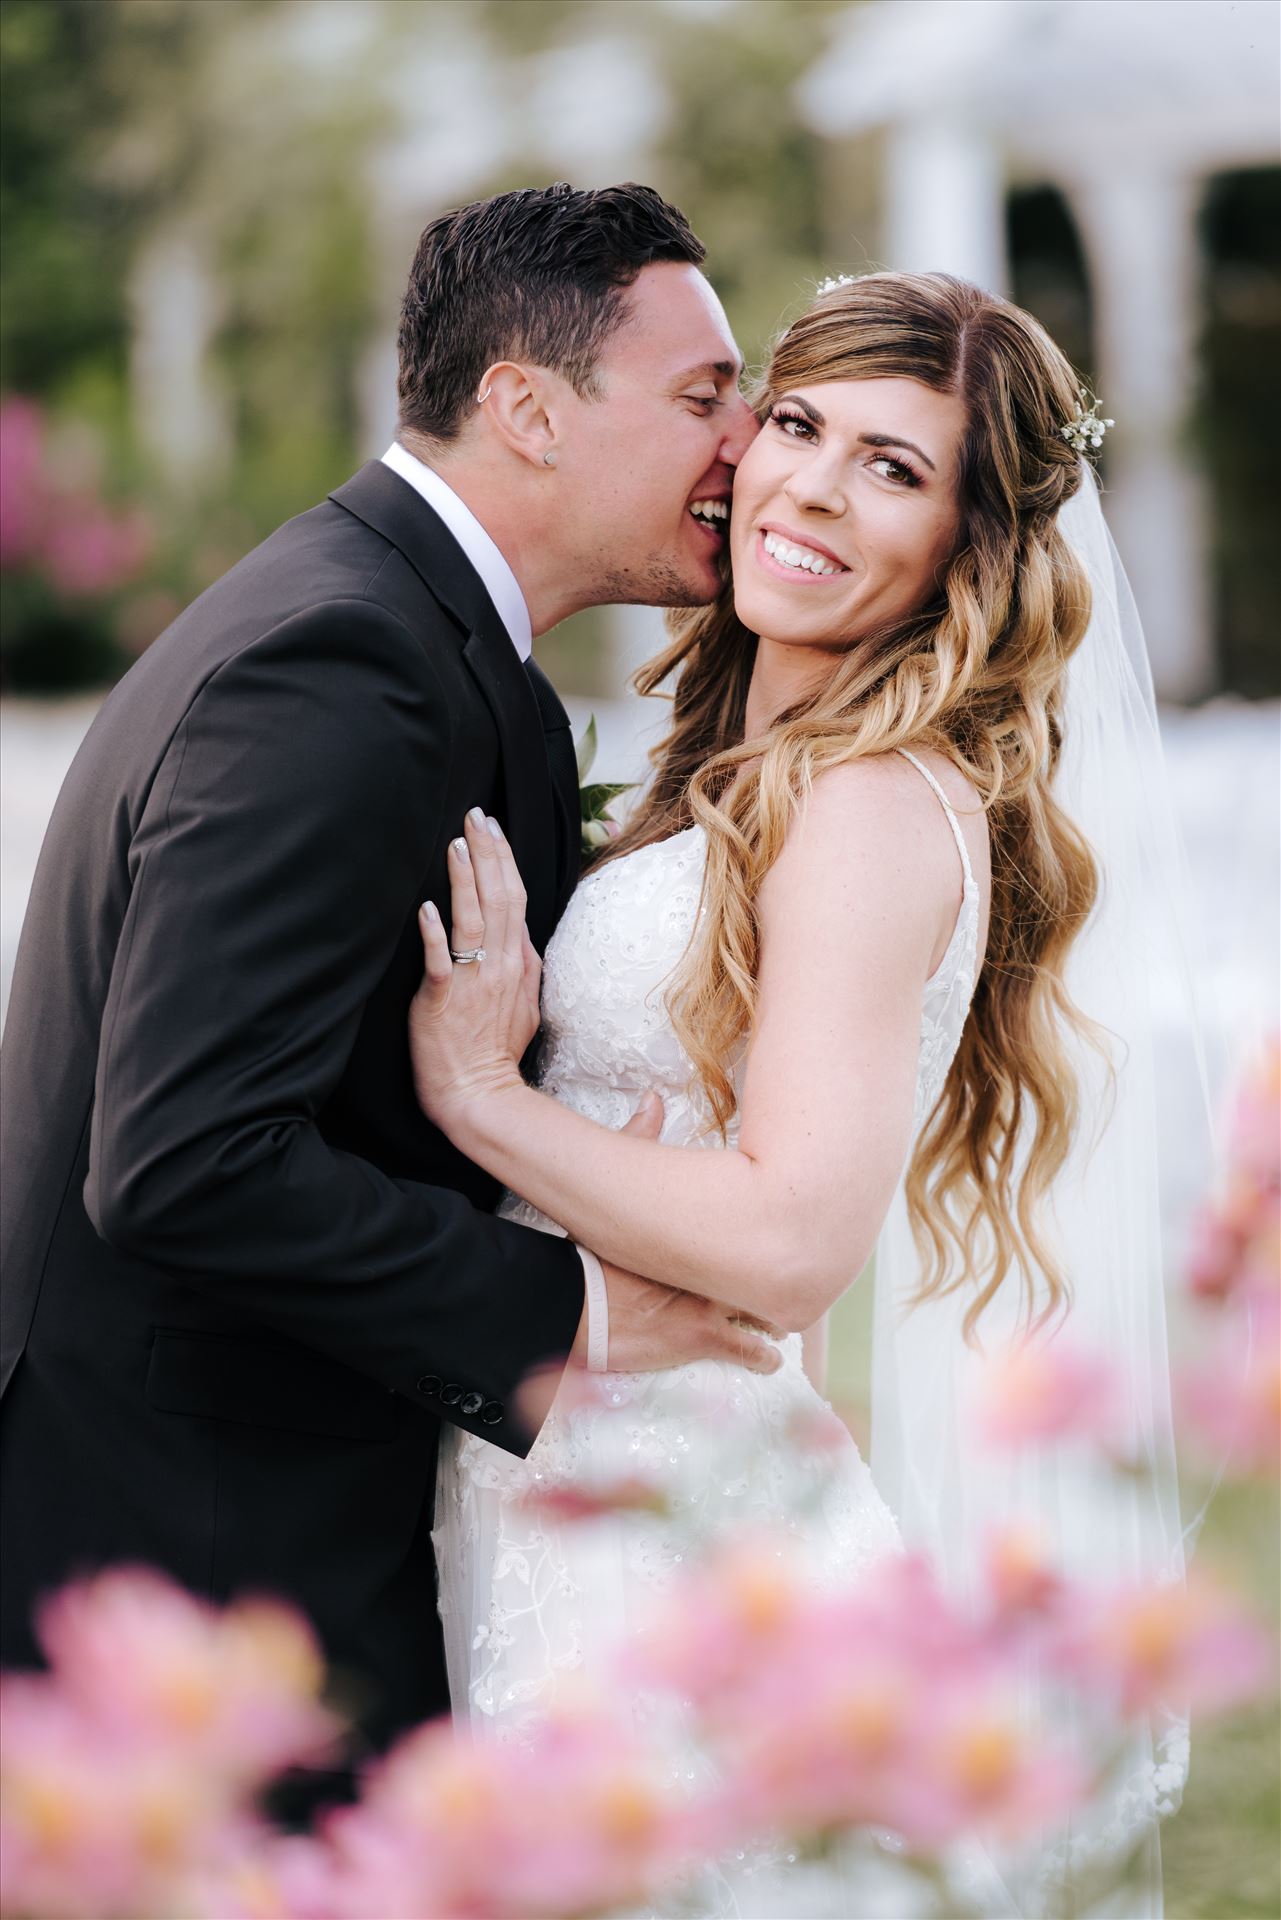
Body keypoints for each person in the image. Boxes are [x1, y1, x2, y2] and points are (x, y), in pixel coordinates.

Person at [409, 271, 1188, 1916]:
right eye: (801, 425)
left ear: (965, 547)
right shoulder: (743, 774)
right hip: (610, 1487)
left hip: (660, 1545)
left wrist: (484, 1100)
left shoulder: (872, 808)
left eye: (895, 470)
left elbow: (787, 1243)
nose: (815, 488)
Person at [0, 182, 781, 1804]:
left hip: (277, 1494)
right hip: (189, 1542)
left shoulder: (428, 641)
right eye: (705, 395)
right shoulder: (340, 666)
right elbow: (182, 1158)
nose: (748, 440)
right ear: (525, 409)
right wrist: (567, 1317)